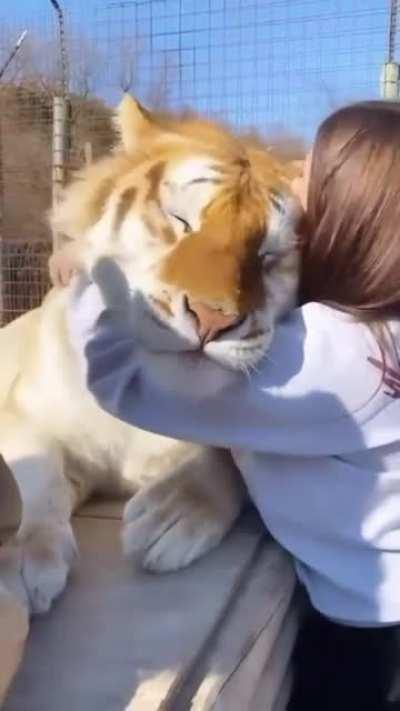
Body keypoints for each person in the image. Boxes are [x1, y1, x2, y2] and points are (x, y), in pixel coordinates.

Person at [58, 101, 400, 710]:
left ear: (352, 217)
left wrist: (94, 268)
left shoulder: (336, 357)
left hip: (371, 629)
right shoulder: (380, 326)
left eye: (309, 174)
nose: (290, 177)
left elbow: (122, 379)